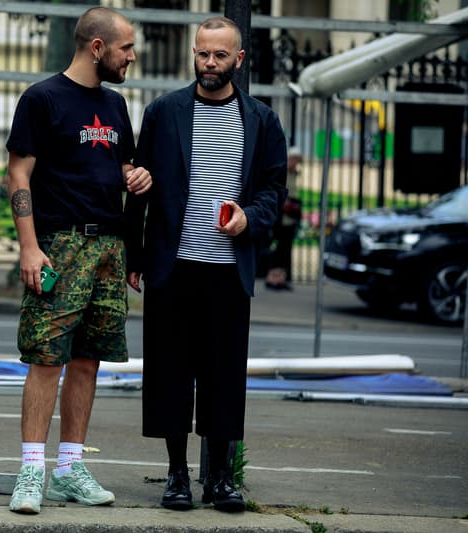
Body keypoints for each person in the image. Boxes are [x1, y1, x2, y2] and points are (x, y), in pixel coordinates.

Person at [124, 16, 287, 513]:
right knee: (170, 371)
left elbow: (274, 193)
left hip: (228, 268)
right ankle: (177, 474)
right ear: (193, 55)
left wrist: (248, 218)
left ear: (238, 59)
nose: (209, 64)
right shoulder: (163, 112)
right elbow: (139, 184)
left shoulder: (261, 119)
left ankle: (220, 477)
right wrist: (134, 254)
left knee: (223, 374)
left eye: (219, 55)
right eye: (202, 54)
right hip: (174, 263)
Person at [4, 6, 151, 515]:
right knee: (46, 358)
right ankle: (30, 472)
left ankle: (68, 469)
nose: (131, 56)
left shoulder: (115, 104)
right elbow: (17, 175)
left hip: (109, 245)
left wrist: (137, 177)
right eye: (125, 48)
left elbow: (123, 165)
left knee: (88, 360)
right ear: (96, 47)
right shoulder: (42, 99)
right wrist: (29, 247)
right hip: (60, 244)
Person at [265, 146, 303, 290]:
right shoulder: (284, 172)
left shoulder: (295, 174)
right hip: (281, 217)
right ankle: (272, 278)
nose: (295, 163)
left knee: (285, 250)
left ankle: (280, 279)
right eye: (294, 160)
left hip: (290, 218)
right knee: (278, 249)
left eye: (297, 160)